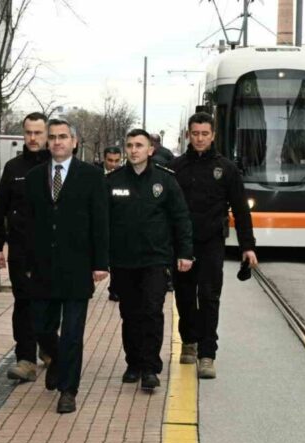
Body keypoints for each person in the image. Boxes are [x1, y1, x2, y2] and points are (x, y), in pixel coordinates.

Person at [24, 119, 109, 414]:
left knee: (73, 333)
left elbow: (100, 221)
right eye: (53, 137)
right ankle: (57, 360)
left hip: (77, 267)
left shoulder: (91, 176)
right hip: (43, 268)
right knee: (41, 327)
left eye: (63, 137)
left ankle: (68, 390)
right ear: (47, 143)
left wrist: (101, 263)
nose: (58, 142)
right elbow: (27, 224)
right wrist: (23, 262)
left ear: (74, 142)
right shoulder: (34, 177)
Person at [168, 113, 257, 379]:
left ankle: (207, 354)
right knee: (184, 296)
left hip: (211, 243)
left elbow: (241, 211)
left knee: (209, 297)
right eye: (195, 133)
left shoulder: (227, 169)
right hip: (182, 244)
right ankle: (189, 341)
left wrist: (247, 246)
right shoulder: (175, 168)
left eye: (204, 134)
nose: (199, 138)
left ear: (213, 135)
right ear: (188, 134)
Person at [107, 129, 192, 390]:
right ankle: (133, 363)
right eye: (130, 145)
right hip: (123, 260)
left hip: (156, 259)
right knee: (129, 313)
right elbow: (102, 221)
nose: (134, 150)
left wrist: (185, 253)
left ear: (150, 150)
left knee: (152, 312)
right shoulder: (113, 181)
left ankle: (150, 368)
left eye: (139, 145)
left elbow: (180, 218)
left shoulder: (165, 181)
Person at [0, 113, 56, 383]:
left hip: (52, 251)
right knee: (23, 305)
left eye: (38, 133)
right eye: (28, 132)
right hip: (20, 250)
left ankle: (49, 347)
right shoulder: (13, 168)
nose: (32, 138)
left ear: (47, 135)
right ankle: (25, 359)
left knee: (50, 304)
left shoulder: (58, 167)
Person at [102, 146, 123, 301]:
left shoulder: (122, 177)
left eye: (117, 161)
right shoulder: (96, 174)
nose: (113, 164)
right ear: (104, 159)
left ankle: (115, 287)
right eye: (110, 160)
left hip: (116, 223)